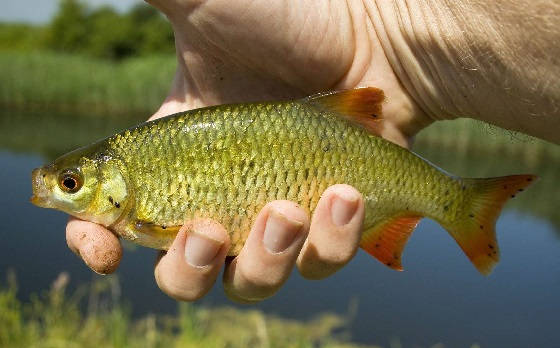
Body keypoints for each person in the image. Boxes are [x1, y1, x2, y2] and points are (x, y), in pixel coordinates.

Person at [65, 0, 560, 303]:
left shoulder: (138, 210)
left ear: (109, 183)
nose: (64, 188)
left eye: (72, 183)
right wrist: (390, 42)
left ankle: (462, 202)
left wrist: (382, 36)